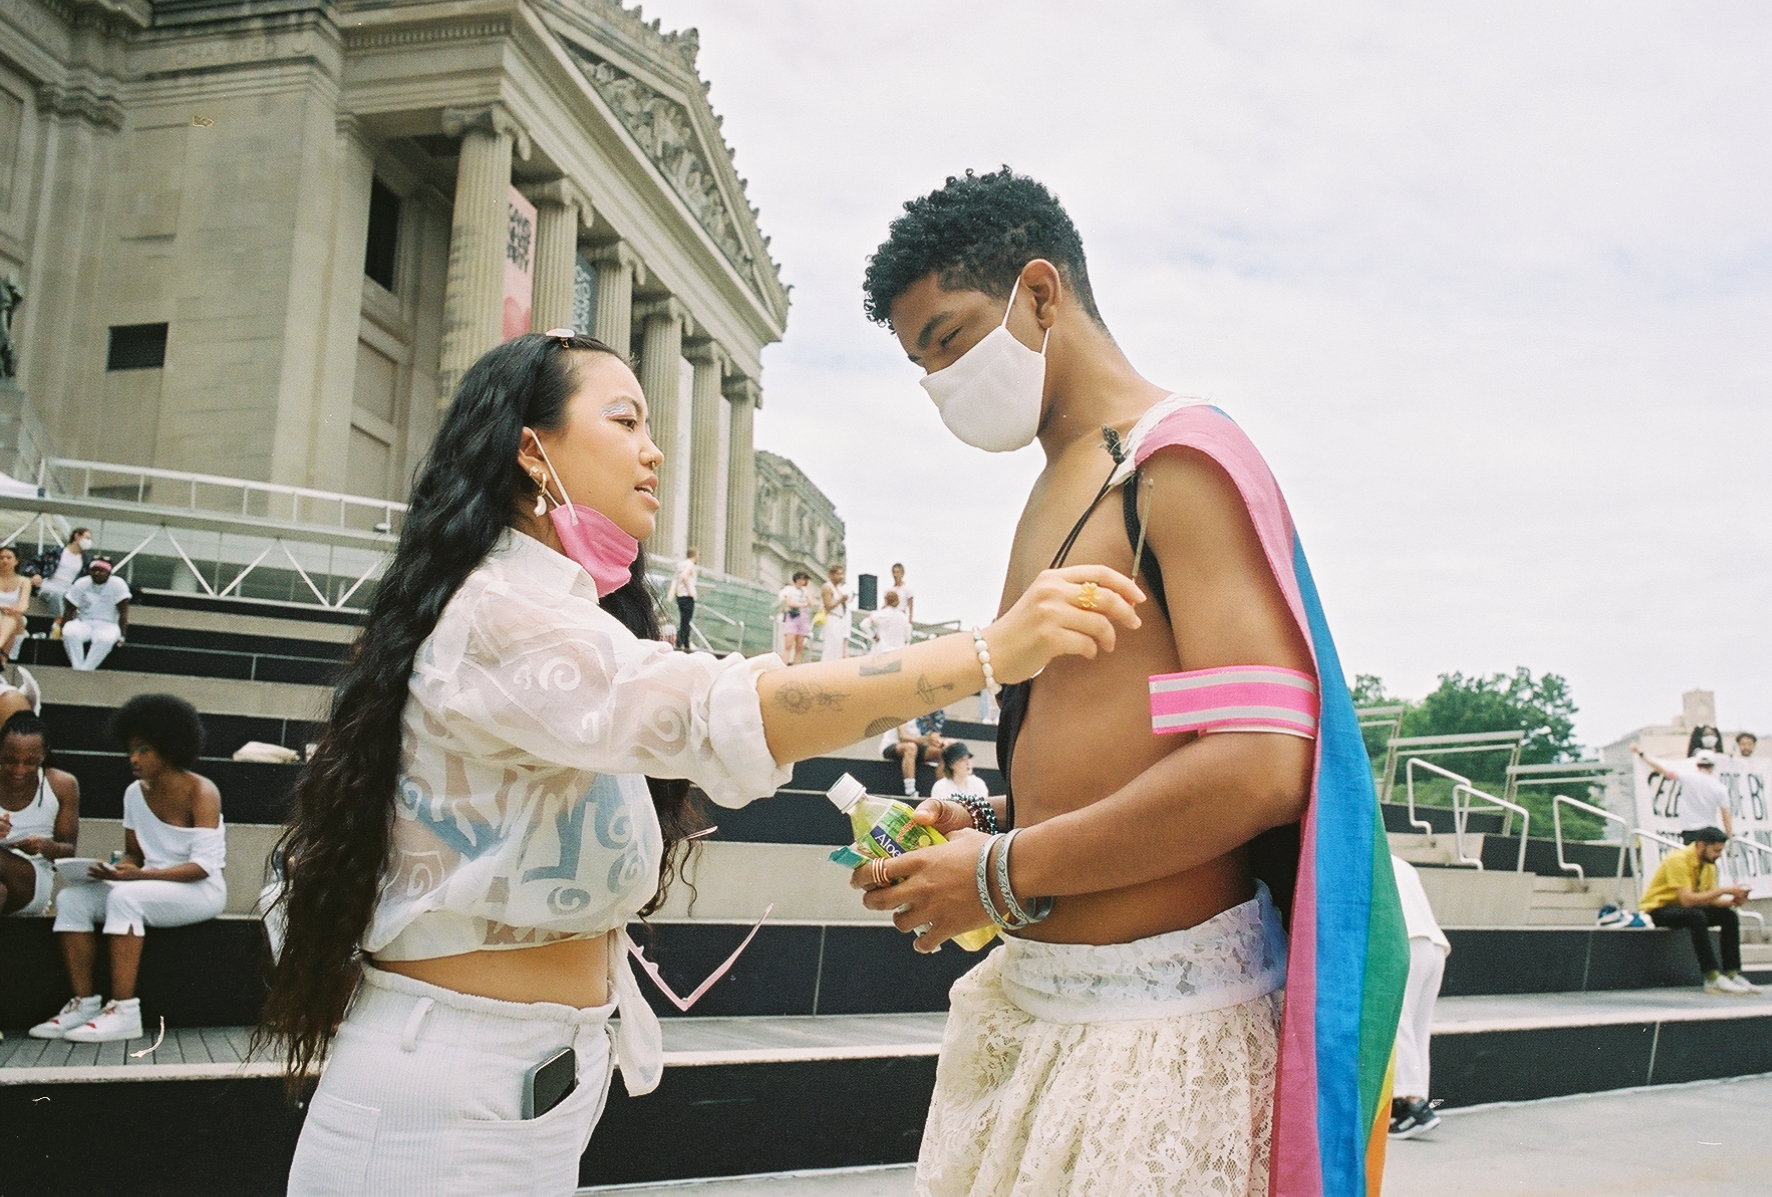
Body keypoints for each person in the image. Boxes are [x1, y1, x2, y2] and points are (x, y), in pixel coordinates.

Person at [259, 331, 1138, 1197]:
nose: (655, 450)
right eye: (624, 420)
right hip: (443, 1111)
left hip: (508, 1089)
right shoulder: (497, 615)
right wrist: (988, 651)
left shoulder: (548, 610)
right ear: (534, 452)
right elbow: (729, 710)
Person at [853, 168, 1407, 1196]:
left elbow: (1255, 766)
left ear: (1038, 292)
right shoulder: (1049, 487)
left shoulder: (1173, 463)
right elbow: (1125, 745)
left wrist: (999, 870)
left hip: (1159, 1039)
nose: (940, 382)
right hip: (1038, 1012)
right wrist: (988, 827)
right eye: (919, 364)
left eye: (949, 339)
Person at [31, 694, 226, 1042]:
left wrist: (136, 877)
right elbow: (136, 853)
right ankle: (85, 1004)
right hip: (149, 884)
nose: (133, 758)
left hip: (201, 891)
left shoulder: (202, 790)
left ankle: (124, 1011)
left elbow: (203, 868)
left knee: (126, 899)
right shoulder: (134, 793)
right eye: (130, 748)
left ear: (170, 747)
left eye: (144, 749)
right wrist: (117, 868)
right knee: (73, 899)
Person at [1637, 826, 1758, 995]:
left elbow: (1710, 899)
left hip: (1685, 909)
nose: (1718, 855)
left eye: (1720, 851)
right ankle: (1712, 976)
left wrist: (1732, 902)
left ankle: (1732, 973)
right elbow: (1687, 900)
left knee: (1729, 917)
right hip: (1658, 910)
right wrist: (1724, 890)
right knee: (1696, 916)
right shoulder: (1678, 860)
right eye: (1715, 850)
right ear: (1701, 845)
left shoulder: (1708, 864)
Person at [1388, 856, 1449, 1140]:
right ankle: (1418, 1103)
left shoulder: (1368, 854)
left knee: (1397, 1023)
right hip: (1434, 946)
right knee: (1417, 1028)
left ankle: (1413, 1106)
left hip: (1406, 942)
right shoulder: (1403, 863)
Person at [0, 713, 81, 919]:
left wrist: (46, 847)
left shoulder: (62, 785)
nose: (19, 770)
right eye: (10, 760)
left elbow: (69, 850)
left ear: (44, 754)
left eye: (30, 762)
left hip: (31, 881)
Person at [1633, 742, 1732, 840]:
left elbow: (1664, 770)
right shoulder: (1720, 788)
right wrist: (1729, 837)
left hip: (1690, 830)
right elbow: (1726, 815)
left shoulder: (1687, 777)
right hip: (1710, 831)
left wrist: (1641, 753)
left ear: (1697, 764)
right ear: (1713, 766)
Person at [57, 556, 130, 671]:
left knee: (105, 639)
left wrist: (122, 636)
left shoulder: (118, 584)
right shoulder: (81, 583)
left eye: (101, 571)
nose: (97, 573)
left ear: (108, 572)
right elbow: (69, 610)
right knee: (70, 631)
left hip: (108, 625)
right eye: (94, 570)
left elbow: (123, 613)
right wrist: (62, 631)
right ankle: (77, 667)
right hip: (84, 622)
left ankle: (87, 669)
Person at [883, 717, 952, 799]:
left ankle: (941, 789)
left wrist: (937, 742)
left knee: (943, 752)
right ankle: (910, 790)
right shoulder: (902, 713)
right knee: (911, 747)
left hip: (916, 746)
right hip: (893, 745)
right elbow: (902, 737)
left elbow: (927, 738)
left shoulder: (924, 717)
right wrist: (927, 740)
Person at [26, 527, 89, 614]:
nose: (89, 542)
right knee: (56, 594)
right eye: (87, 538)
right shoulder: (55, 553)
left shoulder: (85, 560)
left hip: (69, 588)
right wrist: (35, 574)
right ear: (77, 536)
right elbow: (32, 564)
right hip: (50, 584)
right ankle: (60, 621)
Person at [0, 545, 34, 664]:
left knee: (12, 618)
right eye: (1, 558)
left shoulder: (24, 581)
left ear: (16, 560)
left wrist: (9, 610)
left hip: (15, 617)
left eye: (8, 557)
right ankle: (2, 659)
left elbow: (23, 606)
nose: (4, 560)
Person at [931, 741, 989, 807]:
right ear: (951, 765)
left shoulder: (978, 784)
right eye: (962, 760)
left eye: (969, 758)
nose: (967, 763)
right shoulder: (940, 787)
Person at [775, 569, 815, 665]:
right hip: (792, 616)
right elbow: (790, 603)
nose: (802, 581)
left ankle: (796, 665)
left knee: (800, 646)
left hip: (803, 617)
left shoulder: (805, 591)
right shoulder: (788, 589)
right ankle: (783, 664)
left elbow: (811, 602)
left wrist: (809, 588)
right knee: (788, 644)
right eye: (800, 579)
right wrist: (804, 604)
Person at [819, 562, 853, 662]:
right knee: (830, 647)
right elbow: (828, 606)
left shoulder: (838, 589)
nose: (841, 577)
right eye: (838, 574)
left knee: (838, 647)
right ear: (831, 575)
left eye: (842, 574)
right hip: (832, 618)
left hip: (840, 619)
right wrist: (840, 600)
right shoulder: (827, 587)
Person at [862, 588, 913, 653]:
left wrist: (874, 636)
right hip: (899, 652)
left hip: (882, 651)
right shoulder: (904, 617)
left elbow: (864, 624)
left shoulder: (881, 614)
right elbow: (908, 637)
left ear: (886, 600)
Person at [666, 548, 697, 652]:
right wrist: (690, 591)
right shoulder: (690, 565)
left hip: (680, 595)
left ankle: (684, 643)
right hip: (687, 596)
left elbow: (676, 578)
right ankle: (681, 643)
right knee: (686, 621)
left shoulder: (680, 565)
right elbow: (684, 577)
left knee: (684, 620)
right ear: (695, 555)